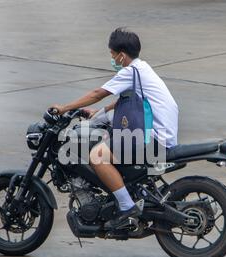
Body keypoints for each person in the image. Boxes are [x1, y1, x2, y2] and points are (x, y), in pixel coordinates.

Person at [51, 28, 179, 228]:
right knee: (107, 140)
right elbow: (123, 101)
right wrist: (98, 113)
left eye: (112, 54)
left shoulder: (130, 72)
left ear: (121, 55)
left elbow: (97, 93)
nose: (111, 58)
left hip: (152, 138)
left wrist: (64, 107)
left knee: (96, 156)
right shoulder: (141, 69)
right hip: (160, 134)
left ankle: (127, 207)